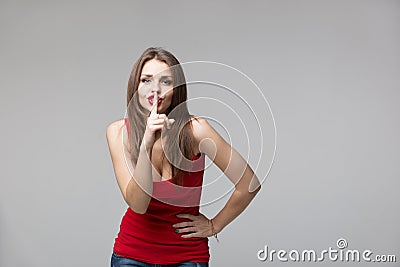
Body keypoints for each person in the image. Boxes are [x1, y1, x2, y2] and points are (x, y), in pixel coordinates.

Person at [106, 47, 261, 267]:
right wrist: (146, 144)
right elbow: (138, 205)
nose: (155, 90)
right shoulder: (118, 132)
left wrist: (214, 225)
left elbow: (249, 185)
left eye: (166, 82)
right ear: (135, 86)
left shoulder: (197, 130)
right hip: (132, 254)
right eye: (146, 80)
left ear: (177, 89)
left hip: (186, 256)